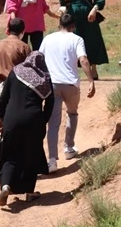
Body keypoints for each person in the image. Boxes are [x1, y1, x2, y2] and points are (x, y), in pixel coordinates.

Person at [0, 51, 55, 207]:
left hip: (12, 120)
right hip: (34, 121)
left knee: (9, 154)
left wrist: (0, 116)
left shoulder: (16, 72)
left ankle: (6, 185)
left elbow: (4, 98)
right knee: (31, 154)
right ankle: (29, 192)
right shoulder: (45, 78)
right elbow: (50, 103)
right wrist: (43, 120)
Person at [38, 12, 95, 172]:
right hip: (70, 84)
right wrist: (90, 80)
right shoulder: (76, 39)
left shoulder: (48, 38)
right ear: (73, 27)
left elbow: (39, 58)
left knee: (53, 123)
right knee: (72, 113)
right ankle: (69, 148)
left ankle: (52, 161)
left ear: (59, 25)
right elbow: (83, 59)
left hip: (52, 84)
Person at [58, 0, 107, 80]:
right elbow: (62, 1)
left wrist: (94, 10)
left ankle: (93, 69)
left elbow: (100, 0)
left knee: (92, 40)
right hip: (73, 16)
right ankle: (73, 70)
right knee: (73, 42)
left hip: (89, 15)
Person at [0, 18, 31, 110]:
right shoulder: (24, 47)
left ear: (8, 30)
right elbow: (29, 71)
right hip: (16, 89)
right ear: (23, 31)